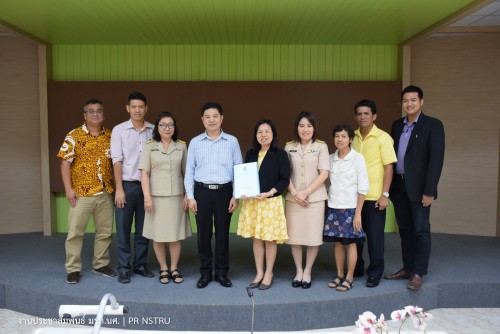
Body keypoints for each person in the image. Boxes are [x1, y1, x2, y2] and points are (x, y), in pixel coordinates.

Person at [384, 85, 445, 290]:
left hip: (420, 189)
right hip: (399, 186)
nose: (409, 104)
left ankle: (418, 272)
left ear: (421, 102)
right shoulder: (396, 125)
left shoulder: (433, 125)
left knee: (420, 230)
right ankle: (407, 268)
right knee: (405, 230)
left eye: (413, 100)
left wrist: (430, 191)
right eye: (405, 101)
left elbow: (436, 161)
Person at [184, 102, 243, 288]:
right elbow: (189, 172)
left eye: (215, 116)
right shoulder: (195, 142)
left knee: (223, 235)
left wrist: (236, 196)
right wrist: (190, 196)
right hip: (201, 192)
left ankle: (222, 273)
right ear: (202, 120)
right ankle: (205, 272)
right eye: (207, 117)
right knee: (203, 234)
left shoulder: (232, 141)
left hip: (224, 192)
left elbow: (238, 170)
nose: (211, 120)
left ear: (222, 118)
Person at [57, 98, 116, 284]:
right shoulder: (74, 135)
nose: (95, 114)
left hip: (105, 192)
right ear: (85, 115)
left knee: (105, 232)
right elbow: (65, 163)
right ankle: (73, 268)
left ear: (104, 115)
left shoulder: (111, 136)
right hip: (81, 194)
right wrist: (68, 189)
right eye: (91, 111)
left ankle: (100, 264)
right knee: (75, 233)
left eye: (99, 111)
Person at [139, 112, 192, 284]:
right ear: (157, 128)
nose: (167, 128)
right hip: (155, 198)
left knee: (175, 235)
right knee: (158, 235)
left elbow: (186, 173)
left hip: (177, 197)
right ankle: (163, 267)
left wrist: (187, 195)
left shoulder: (182, 146)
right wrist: (147, 197)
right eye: (163, 125)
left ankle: (174, 268)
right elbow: (145, 173)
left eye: (170, 125)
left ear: (174, 128)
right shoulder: (149, 147)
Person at [237, 119, 290, 290]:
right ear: (256, 135)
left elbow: (284, 180)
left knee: (269, 239)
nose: (263, 135)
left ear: (273, 134)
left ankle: (269, 273)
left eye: (267, 131)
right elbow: (244, 177)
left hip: (270, 202)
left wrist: (270, 192)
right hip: (253, 203)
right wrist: (243, 190)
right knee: (257, 238)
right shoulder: (250, 153)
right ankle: (259, 272)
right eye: (260, 132)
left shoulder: (280, 154)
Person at [351, 99, 397, 288]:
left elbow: (389, 168)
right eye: (359, 114)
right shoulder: (351, 137)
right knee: (356, 236)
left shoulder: (383, 138)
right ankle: (357, 267)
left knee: (375, 238)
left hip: (374, 197)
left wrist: (384, 194)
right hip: (354, 197)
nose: (362, 117)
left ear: (374, 116)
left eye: (366, 114)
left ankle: (375, 272)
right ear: (356, 117)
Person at [111, 92, 154, 284]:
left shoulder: (154, 130)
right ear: (128, 108)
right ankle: (123, 267)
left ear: (146, 109)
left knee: (144, 230)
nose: (137, 110)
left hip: (147, 187)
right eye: (134, 107)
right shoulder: (119, 130)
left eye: (141, 107)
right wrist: (119, 189)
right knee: (123, 229)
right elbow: (117, 160)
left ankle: (141, 264)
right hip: (126, 186)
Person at [284, 111, 329, 289]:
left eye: (309, 126)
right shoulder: (289, 147)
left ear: (314, 128)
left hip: (315, 200)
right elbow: (284, 174)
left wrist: (307, 192)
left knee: (313, 237)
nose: (305, 129)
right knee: (294, 237)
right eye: (302, 125)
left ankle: (308, 270)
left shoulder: (321, 146)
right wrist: (296, 194)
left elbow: (324, 173)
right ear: (297, 127)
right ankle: (298, 270)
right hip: (293, 199)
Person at [324, 124, 369, 292]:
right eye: (336, 136)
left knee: (351, 244)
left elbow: (363, 188)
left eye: (343, 136)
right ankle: (339, 274)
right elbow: (326, 182)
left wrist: (358, 213)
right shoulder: (330, 158)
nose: (339, 139)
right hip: (333, 207)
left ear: (350, 139)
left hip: (350, 209)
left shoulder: (358, 159)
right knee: (337, 244)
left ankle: (349, 277)